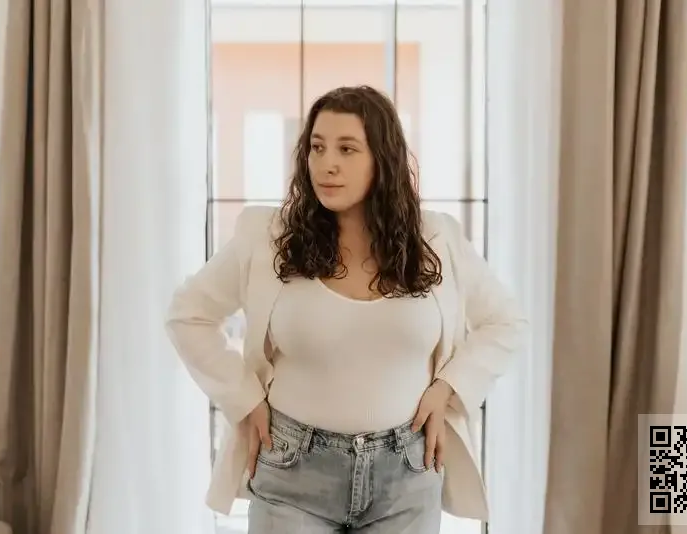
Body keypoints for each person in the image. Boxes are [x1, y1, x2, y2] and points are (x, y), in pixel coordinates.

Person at [165, 85, 526, 533]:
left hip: (407, 475)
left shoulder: (436, 239)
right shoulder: (269, 237)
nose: (326, 164)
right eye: (317, 147)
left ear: (382, 159)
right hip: (292, 470)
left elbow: (505, 322)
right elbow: (189, 315)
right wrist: (245, 399)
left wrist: (448, 388)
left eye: (347, 149)